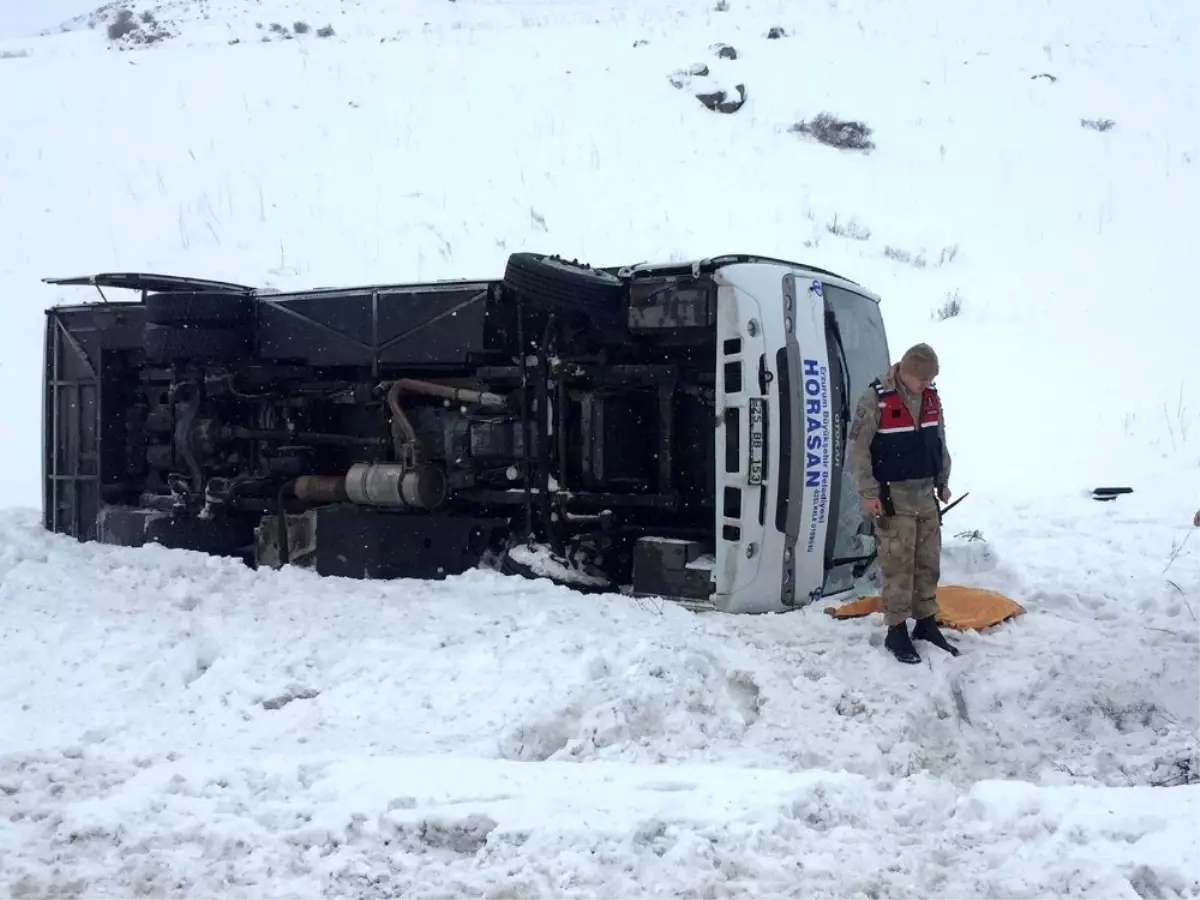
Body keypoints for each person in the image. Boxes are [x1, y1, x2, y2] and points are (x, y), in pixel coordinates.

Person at [848, 342, 959, 664]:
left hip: (926, 493)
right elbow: (858, 451)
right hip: (892, 496)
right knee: (898, 564)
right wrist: (868, 493)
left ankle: (925, 621)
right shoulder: (876, 398)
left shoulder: (930, 397)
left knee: (928, 560)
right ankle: (896, 629)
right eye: (922, 379)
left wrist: (943, 480)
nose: (927, 384)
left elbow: (938, 439)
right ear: (907, 372)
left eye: (930, 380)